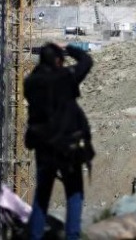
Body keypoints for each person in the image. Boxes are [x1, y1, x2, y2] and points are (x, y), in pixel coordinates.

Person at [24, 42, 94, 240]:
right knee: (74, 192)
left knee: (42, 195)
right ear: (57, 61)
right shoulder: (65, 77)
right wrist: (70, 48)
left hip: (43, 147)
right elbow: (87, 61)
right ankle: (72, 236)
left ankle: (35, 235)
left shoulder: (30, 83)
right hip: (67, 147)